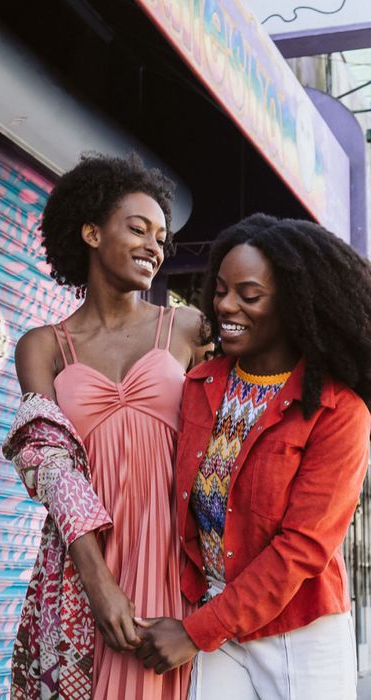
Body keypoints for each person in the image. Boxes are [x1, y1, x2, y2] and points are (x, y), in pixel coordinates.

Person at [135, 214, 371, 700]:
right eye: (220, 289)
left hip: (299, 630)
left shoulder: (337, 410)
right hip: (214, 615)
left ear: (294, 304)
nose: (225, 305)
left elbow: (300, 549)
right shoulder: (200, 386)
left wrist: (196, 632)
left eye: (249, 294)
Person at [2, 153, 207, 699]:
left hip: (174, 557)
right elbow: (46, 461)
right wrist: (98, 582)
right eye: (137, 228)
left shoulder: (188, 328)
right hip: (84, 560)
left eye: (161, 238)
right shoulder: (43, 346)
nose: (153, 247)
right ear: (91, 232)